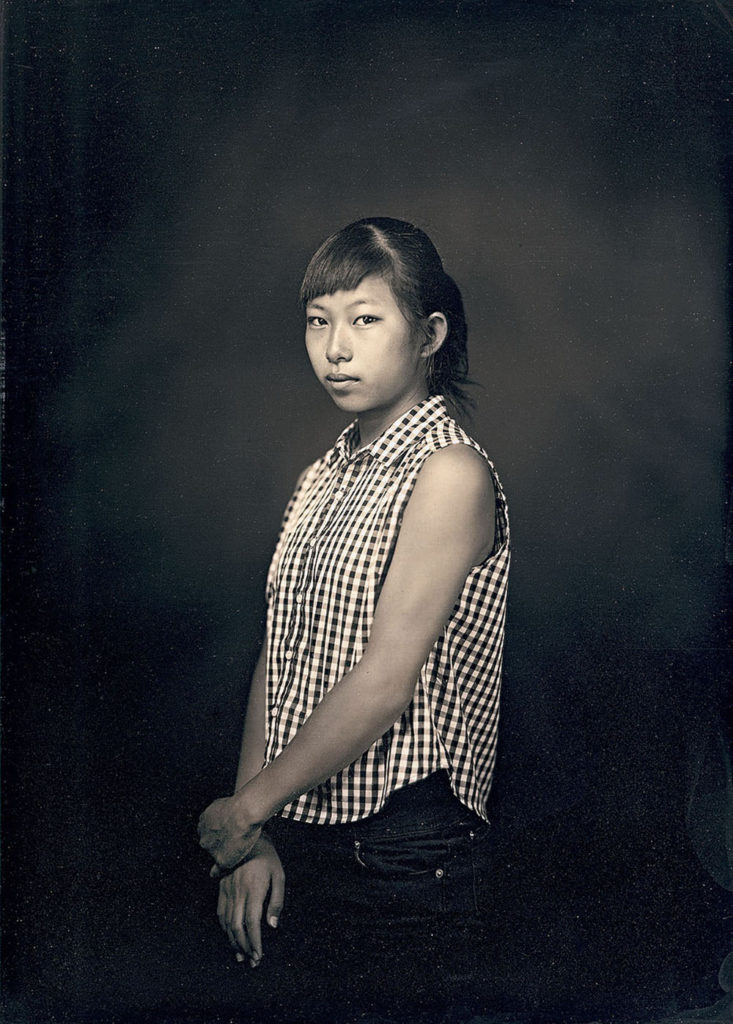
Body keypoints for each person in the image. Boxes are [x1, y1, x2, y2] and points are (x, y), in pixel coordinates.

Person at [198, 217, 510, 1023]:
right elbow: (280, 654)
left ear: (429, 335)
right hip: (297, 829)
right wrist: (253, 836)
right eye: (318, 321)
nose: (335, 348)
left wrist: (244, 813)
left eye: (365, 319)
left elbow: (384, 681)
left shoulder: (449, 474)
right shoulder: (322, 476)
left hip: (404, 851)